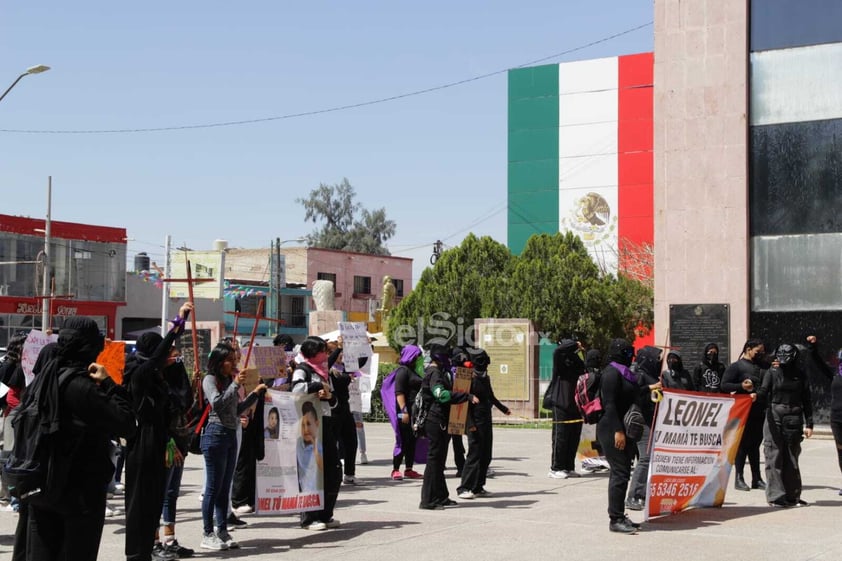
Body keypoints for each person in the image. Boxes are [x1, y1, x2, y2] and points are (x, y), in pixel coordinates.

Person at [16, 316, 137, 561]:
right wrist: (109, 383)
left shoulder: (42, 381)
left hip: (41, 488)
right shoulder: (82, 386)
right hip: (79, 493)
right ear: (89, 347)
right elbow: (127, 424)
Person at [123, 303, 191, 561]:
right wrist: (175, 327)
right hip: (143, 444)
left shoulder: (158, 377)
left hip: (160, 442)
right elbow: (155, 359)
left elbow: (182, 400)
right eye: (166, 352)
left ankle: (149, 550)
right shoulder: (139, 374)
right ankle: (140, 552)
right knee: (141, 503)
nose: (170, 356)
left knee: (155, 501)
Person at [199, 342, 266, 551]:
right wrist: (236, 384)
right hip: (215, 435)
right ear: (219, 362)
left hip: (230, 434)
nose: (233, 362)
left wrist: (255, 394)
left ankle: (222, 530)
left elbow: (236, 409)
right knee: (213, 487)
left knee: (224, 487)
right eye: (229, 359)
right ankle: (207, 532)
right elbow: (217, 404)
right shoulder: (210, 380)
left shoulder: (229, 380)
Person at [291, 336, 342, 531]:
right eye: (322, 351)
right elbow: (296, 390)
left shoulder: (324, 373)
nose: (325, 355)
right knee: (311, 471)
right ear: (312, 353)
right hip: (309, 425)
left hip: (326, 423)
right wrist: (317, 387)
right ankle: (309, 517)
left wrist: (329, 396)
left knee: (333, 470)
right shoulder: (302, 370)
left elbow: (334, 401)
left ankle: (326, 513)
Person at [419, 344, 477, 510]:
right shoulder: (434, 373)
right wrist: (465, 396)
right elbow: (441, 395)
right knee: (434, 461)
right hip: (435, 420)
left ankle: (441, 496)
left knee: (439, 460)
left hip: (441, 420)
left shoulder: (440, 371)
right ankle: (428, 500)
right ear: (439, 357)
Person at [758, 344, 813, 507]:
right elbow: (763, 391)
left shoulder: (800, 375)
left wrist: (810, 423)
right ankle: (776, 496)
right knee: (773, 454)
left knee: (792, 455)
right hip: (774, 413)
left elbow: (806, 399)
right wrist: (752, 395)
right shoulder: (772, 372)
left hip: (794, 416)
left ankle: (792, 495)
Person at [596, 338, 641, 534]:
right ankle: (615, 519)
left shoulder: (625, 373)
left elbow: (632, 395)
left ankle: (620, 515)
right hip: (612, 429)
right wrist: (618, 431)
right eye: (627, 351)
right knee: (620, 473)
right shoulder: (611, 373)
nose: (630, 355)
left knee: (623, 472)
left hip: (623, 428)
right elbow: (610, 405)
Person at [157, 346, 195, 559]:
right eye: (172, 356)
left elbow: (188, 406)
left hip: (180, 444)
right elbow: (159, 419)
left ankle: (170, 539)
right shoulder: (158, 385)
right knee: (160, 494)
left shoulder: (177, 383)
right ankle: (154, 542)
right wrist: (169, 444)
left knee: (171, 494)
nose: (176, 360)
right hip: (167, 446)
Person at [457, 348, 510, 499]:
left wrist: (503, 408)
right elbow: (459, 400)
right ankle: (464, 487)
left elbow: (490, 396)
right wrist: (470, 423)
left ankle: (478, 487)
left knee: (486, 455)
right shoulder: (465, 377)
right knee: (474, 455)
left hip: (486, 420)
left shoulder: (485, 378)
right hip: (473, 422)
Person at [721, 339, 768, 492]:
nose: (760, 354)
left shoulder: (762, 366)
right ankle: (739, 478)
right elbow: (724, 385)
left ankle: (757, 478)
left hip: (759, 410)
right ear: (748, 349)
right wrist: (741, 386)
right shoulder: (737, 366)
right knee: (742, 445)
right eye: (757, 351)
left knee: (755, 445)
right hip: (743, 411)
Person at [625, 346, 663, 511]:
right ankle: (634, 495)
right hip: (640, 420)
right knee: (645, 458)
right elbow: (633, 394)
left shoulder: (650, 375)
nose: (659, 361)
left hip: (649, 419)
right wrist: (651, 388)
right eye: (657, 358)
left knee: (649, 458)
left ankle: (642, 493)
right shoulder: (639, 375)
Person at [547, 339, 585, 479]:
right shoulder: (559, 358)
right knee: (560, 437)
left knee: (573, 437)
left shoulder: (575, 360)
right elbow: (559, 350)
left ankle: (569, 466)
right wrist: (575, 344)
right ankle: (556, 467)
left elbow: (584, 368)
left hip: (575, 404)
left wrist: (578, 352)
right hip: (561, 403)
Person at [390, 344, 424, 481]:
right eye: (417, 355)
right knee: (402, 440)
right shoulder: (402, 371)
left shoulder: (413, 370)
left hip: (414, 412)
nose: (419, 358)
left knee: (412, 440)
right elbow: (399, 392)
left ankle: (409, 469)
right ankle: (395, 469)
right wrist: (404, 411)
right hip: (404, 412)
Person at [297, 401, 322, 492]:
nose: (306, 429)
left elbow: (321, 466)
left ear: (317, 423)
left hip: (313, 493)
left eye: (308, 424)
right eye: (303, 425)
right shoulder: (298, 443)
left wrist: (314, 446)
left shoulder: (319, 446)